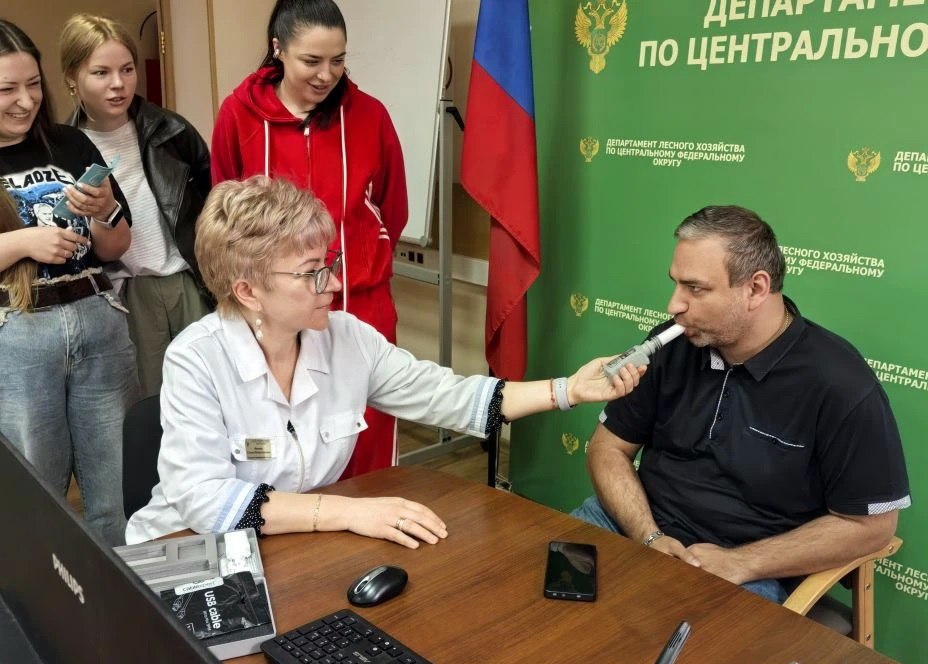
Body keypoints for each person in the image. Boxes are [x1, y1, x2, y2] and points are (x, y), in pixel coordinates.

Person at [125, 176, 645, 546]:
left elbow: (449, 397)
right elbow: (208, 502)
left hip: (285, 545)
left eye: (330, 263)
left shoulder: (346, 338)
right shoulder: (196, 358)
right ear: (248, 291)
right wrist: (350, 512)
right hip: (184, 547)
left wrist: (568, 390)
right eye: (311, 272)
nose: (334, 282)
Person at [572, 205, 911, 604]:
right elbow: (607, 447)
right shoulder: (672, 343)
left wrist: (741, 563)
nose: (674, 305)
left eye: (695, 288)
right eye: (676, 284)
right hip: (634, 528)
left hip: (747, 571)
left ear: (756, 289)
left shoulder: (840, 383)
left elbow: (873, 527)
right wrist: (650, 536)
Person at [210, 0, 406, 480]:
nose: (326, 75)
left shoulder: (370, 116)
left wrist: (362, 261)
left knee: (367, 443)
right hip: (273, 315)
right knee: (283, 449)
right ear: (278, 49)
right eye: (312, 61)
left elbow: (392, 208)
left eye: (338, 60)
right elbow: (224, 215)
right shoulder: (239, 115)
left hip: (359, 304)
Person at [0, 20, 137, 546]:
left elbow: (115, 246)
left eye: (33, 84)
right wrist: (23, 243)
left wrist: (104, 210)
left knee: (118, 486)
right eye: (7, 89)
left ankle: (125, 588)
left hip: (97, 315)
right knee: (37, 492)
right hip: (19, 330)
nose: (25, 101)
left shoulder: (70, 142)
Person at [60, 13, 213, 397]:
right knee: (148, 402)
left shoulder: (172, 130)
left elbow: (211, 200)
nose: (119, 84)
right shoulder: (63, 150)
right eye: (101, 73)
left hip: (187, 278)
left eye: (127, 69)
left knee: (209, 392)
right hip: (124, 290)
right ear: (72, 78)